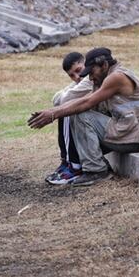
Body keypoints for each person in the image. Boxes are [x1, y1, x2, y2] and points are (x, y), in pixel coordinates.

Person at [28, 47, 139, 187]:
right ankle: (74, 164)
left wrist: (53, 114)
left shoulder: (116, 77)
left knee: (80, 114)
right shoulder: (105, 78)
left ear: (104, 65)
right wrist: (52, 112)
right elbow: (80, 101)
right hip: (126, 134)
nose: (89, 78)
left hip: (133, 138)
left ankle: (96, 171)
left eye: (91, 72)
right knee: (73, 110)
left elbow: (87, 103)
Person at [45, 52, 92, 185]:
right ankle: (67, 162)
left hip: (107, 125)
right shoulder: (81, 81)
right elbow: (55, 99)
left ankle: (74, 166)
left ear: (86, 64)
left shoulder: (90, 79)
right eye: (71, 75)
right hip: (91, 123)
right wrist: (73, 87)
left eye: (79, 70)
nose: (77, 77)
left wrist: (68, 94)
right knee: (65, 108)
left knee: (67, 109)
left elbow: (64, 99)